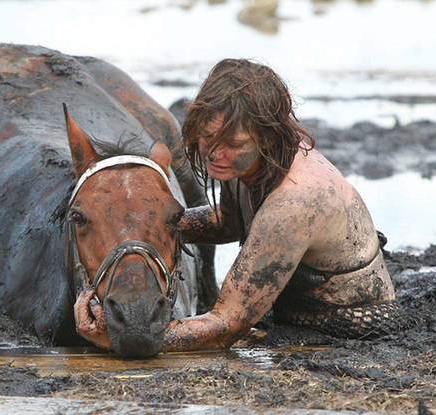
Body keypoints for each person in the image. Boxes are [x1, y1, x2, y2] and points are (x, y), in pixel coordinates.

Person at [74, 58, 398, 352]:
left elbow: (226, 324)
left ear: (268, 137)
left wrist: (126, 335)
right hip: (291, 313)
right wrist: (148, 227)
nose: (215, 153)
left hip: (348, 330)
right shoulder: (249, 161)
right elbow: (229, 221)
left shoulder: (294, 203)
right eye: (208, 138)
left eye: (233, 144)